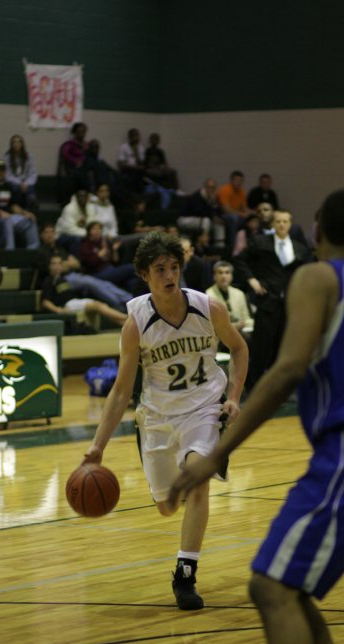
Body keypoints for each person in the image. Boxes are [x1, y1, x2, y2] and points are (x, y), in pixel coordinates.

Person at [169, 188, 344, 644]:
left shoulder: (318, 277)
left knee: (270, 586)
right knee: (289, 589)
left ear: (315, 230)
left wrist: (217, 453)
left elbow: (287, 370)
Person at [82, 232, 248, 610]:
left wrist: (234, 397)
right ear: (145, 275)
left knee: (198, 479)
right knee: (167, 507)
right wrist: (98, 446)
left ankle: (185, 574)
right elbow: (122, 391)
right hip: (156, 417)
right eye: (160, 270)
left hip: (204, 408)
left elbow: (239, 349)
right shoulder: (136, 323)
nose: (170, 275)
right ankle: (186, 492)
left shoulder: (209, 308)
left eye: (174, 267)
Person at [234, 209, 312, 389]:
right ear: (273, 224)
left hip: (289, 305)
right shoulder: (260, 242)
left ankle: (278, 385)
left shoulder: (300, 248)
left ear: (290, 225)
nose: (282, 225)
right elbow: (240, 259)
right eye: (278, 221)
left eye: (285, 221)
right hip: (268, 302)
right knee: (261, 345)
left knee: (283, 346)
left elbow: (308, 269)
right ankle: (251, 385)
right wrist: (251, 279)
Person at [41, 254, 127, 328]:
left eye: (59, 263)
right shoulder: (49, 280)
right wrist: (59, 311)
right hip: (68, 305)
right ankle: (127, 318)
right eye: (54, 264)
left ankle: (125, 324)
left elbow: (78, 267)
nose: (57, 266)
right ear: (49, 266)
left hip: (75, 302)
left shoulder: (63, 278)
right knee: (98, 306)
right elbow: (45, 302)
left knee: (101, 305)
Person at [0, 160, 39, 250]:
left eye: (2, 170)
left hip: (9, 216)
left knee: (30, 220)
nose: (0, 173)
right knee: (7, 220)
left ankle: (33, 249)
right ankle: (10, 250)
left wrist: (24, 213)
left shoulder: (9, 186)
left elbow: (13, 205)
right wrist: (0, 212)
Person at [206, 261, 254, 338]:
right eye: (220, 273)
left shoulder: (239, 293)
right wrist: (234, 326)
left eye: (227, 272)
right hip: (219, 335)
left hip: (241, 331)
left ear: (232, 276)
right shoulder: (208, 294)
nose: (224, 276)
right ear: (214, 276)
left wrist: (246, 323)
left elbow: (246, 318)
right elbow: (212, 324)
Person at [216, 171, 254, 254]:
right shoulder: (225, 189)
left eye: (240, 181)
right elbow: (226, 209)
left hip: (237, 215)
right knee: (234, 218)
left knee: (252, 220)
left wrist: (254, 213)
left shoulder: (241, 192)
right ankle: (232, 247)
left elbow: (245, 208)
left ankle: (249, 246)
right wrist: (242, 214)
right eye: (236, 180)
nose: (238, 182)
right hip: (222, 216)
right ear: (231, 180)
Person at [3, 134, 38, 210]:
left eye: (19, 142)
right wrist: (19, 183)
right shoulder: (7, 157)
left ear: (22, 144)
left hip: (26, 181)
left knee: (30, 187)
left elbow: (33, 173)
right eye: (14, 142)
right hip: (14, 181)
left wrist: (26, 183)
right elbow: (7, 174)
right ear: (11, 144)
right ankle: (18, 207)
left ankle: (30, 203)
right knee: (15, 188)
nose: (17, 144)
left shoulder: (28, 156)